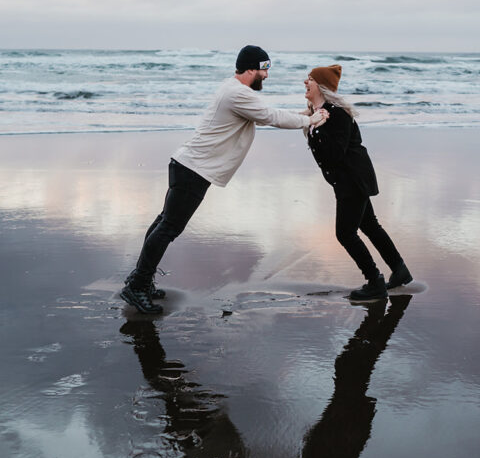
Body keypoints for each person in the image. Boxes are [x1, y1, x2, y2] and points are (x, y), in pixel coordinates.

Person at [121, 45, 329, 314]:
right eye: (264, 70)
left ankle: (141, 279)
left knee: (164, 223)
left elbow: (267, 114)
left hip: (188, 166)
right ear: (251, 68)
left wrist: (304, 116)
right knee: (168, 227)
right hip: (193, 169)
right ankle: (137, 285)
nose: (266, 76)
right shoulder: (237, 94)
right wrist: (310, 119)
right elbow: (270, 117)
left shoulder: (234, 90)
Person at [303, 64, 412, 300]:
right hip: (348, 180)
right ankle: (400, 270)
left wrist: (316, 126)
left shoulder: (337, 114)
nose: (305, 82)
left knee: (345, 234)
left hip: (353, 181)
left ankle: (374, 281)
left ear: (321, 86)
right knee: (370, 226)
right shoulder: (319, 113)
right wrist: (312, 121)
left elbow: (334, 154)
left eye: (309, 79)